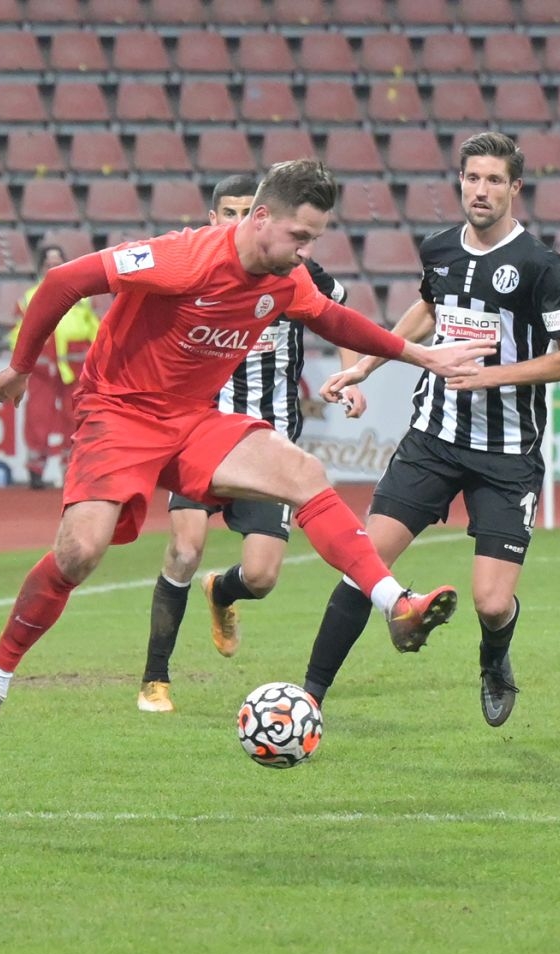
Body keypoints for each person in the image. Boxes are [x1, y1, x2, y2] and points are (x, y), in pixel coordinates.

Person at [0, 159, 494, 759]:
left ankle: (397, 605)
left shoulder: (287, 277)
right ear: (261, 218)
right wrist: (20, 369)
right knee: (80, 552)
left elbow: (334, 319)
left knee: (304, 473)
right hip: (120, 414)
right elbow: (61, 283)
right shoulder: (183, 257)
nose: (305, 251)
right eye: (300, 237)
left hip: (192, 418)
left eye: (314, 239)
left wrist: (422, 354)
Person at [303, 132, 560, 727]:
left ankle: (494, 660)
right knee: (364, 564)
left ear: (515, 188)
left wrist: (493, 378)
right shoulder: (438, 249)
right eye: (471, 178)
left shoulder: (541, 266)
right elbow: (428, 311)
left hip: (507, 451)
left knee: (490, 601)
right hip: (432, 439)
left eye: (492, 180)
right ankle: (309, 699)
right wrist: (363, 364)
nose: (480, 191)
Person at [135, 174, 368, 715]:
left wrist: (350, 376)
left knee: (261, 577)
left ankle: (223, 593)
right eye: (228, 212)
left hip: (267, 445)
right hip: (197, 431)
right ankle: (155, 679)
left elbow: (338, 320)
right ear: (214, 219)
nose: (238, 220)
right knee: (185, 547)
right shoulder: (192, 266)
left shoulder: (295, 269)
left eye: (248, 210)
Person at [12, 242, 101, 491]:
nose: (53, 267)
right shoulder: (29, 298)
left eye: (57, 262)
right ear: (41, 267)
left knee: (73, 418)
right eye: (48, 263)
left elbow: (95, 329)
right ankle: (35, 471)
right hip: (42, 369)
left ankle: (71, 470)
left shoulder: (82, 297)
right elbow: (19, 333)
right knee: (38, 418)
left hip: (75, 369)